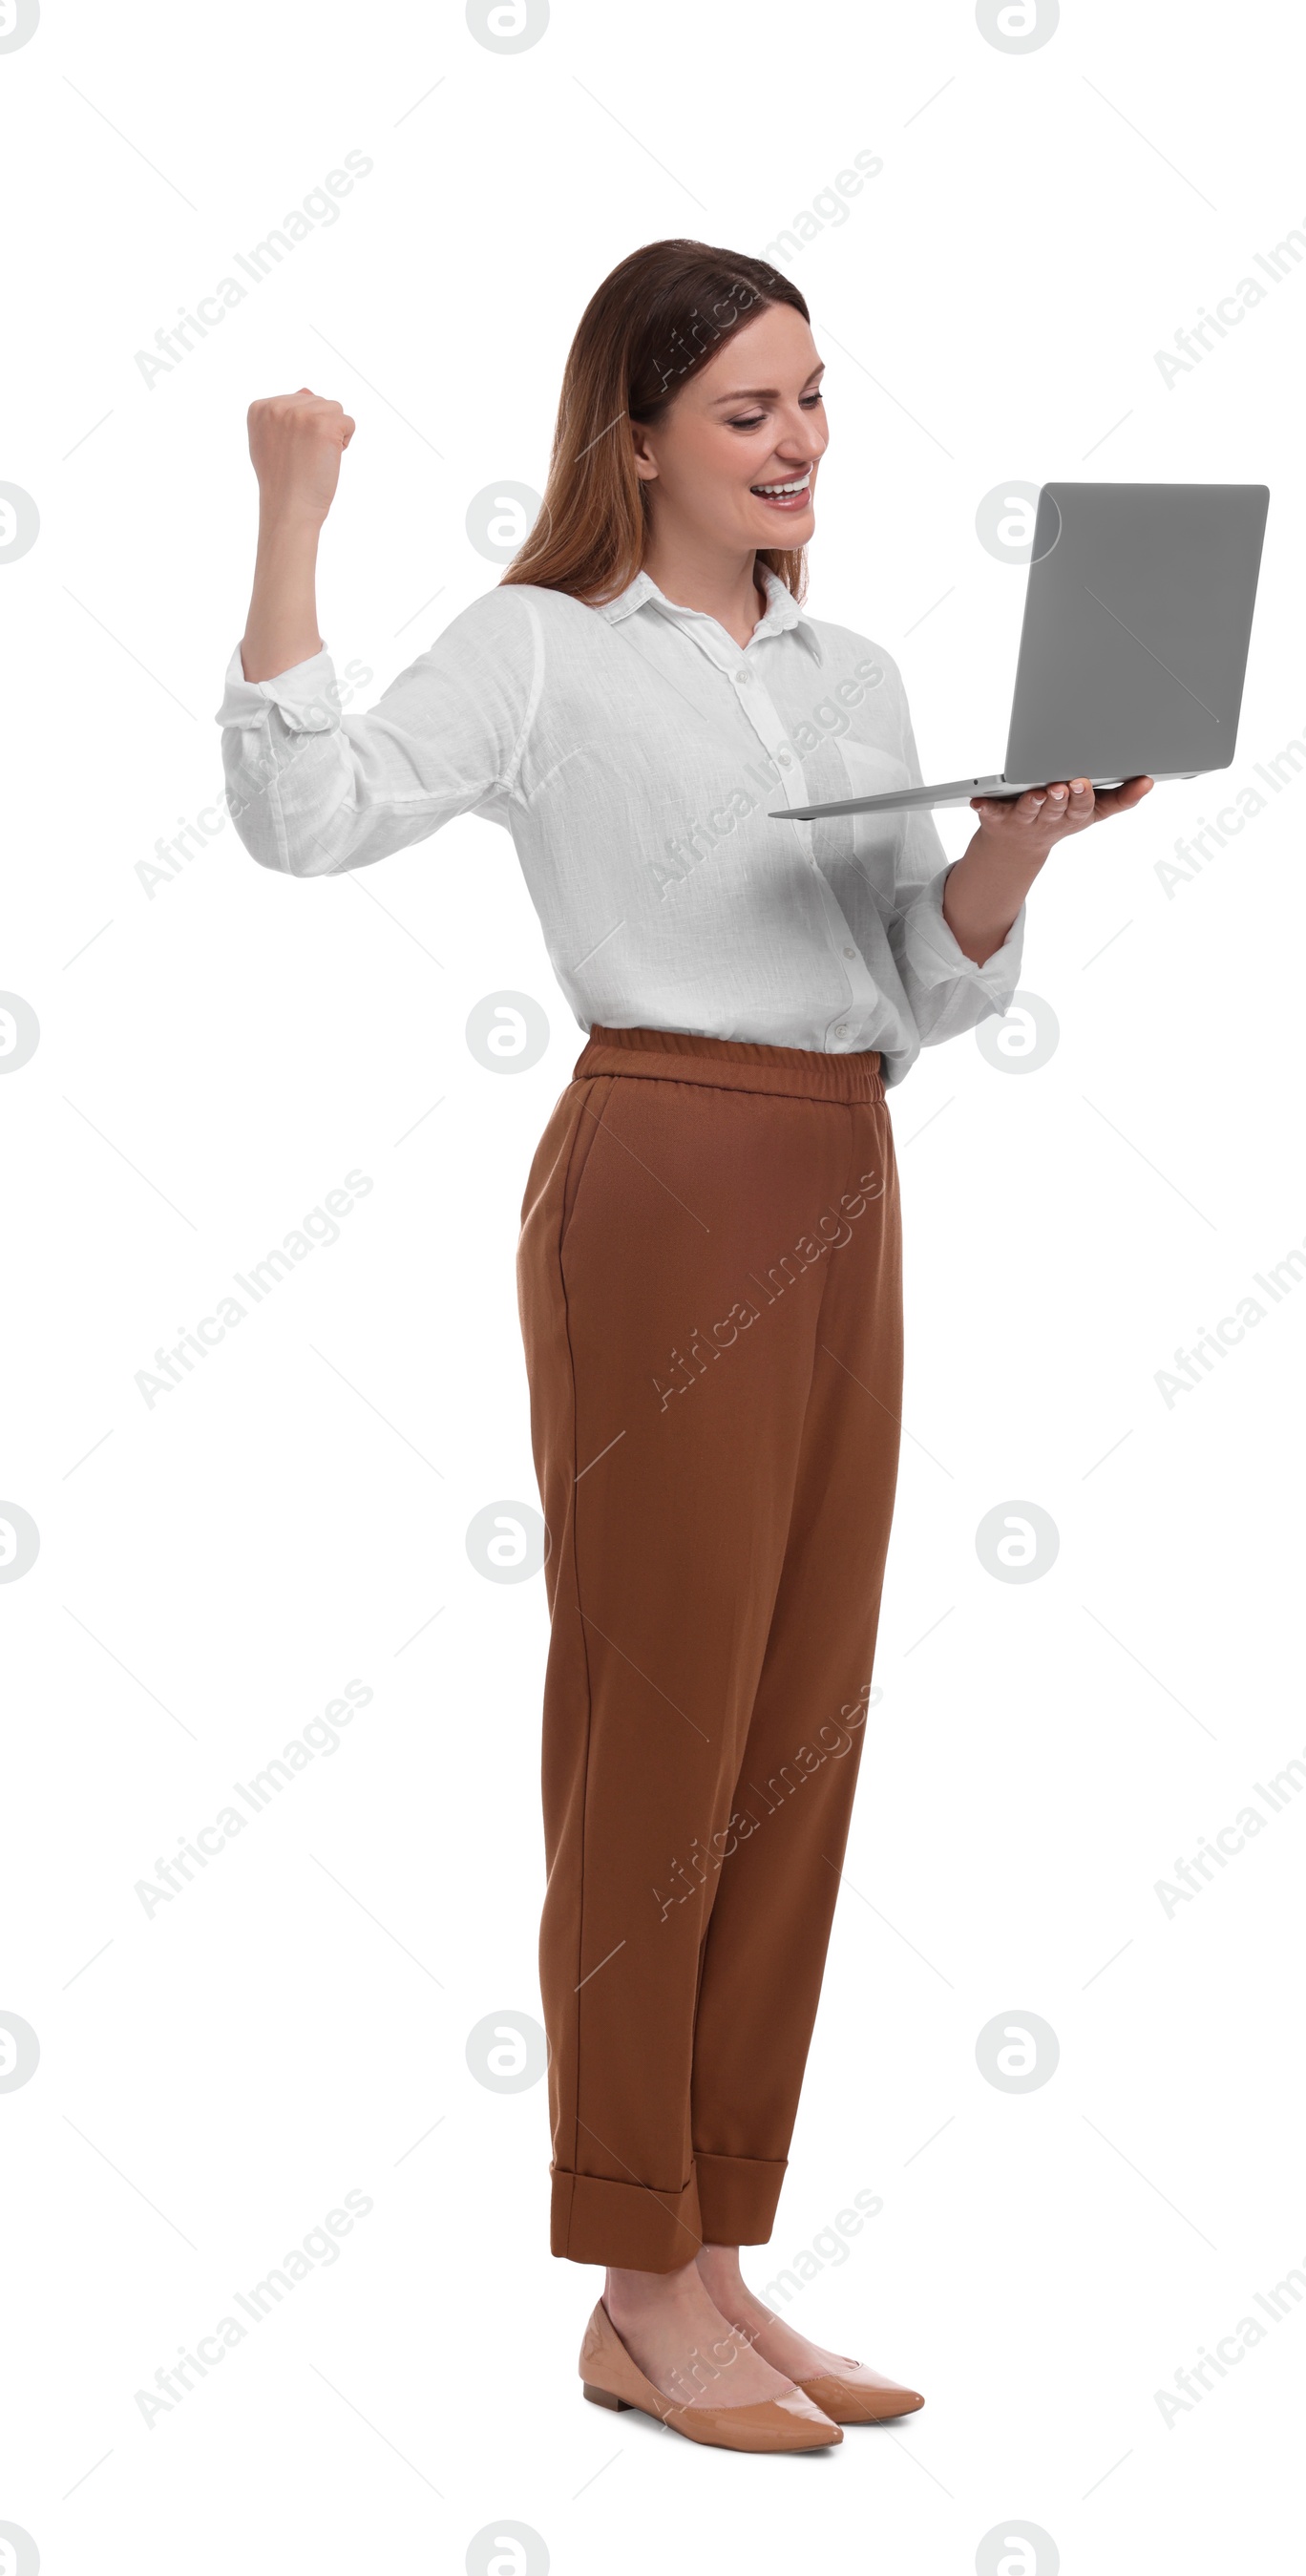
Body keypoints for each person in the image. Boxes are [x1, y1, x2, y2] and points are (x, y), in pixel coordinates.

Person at [216, 238, 1152, 2457]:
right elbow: (299, 814)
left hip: (842, 1173)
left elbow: (917, 994)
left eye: (814, 397)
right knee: (652, 1722)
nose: (800, 440)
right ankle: (632, 2270)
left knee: (792, 1726)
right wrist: (291, 510)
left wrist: (1012, 857)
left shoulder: (855, 674)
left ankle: (719, 2244)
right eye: (746, 409)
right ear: (632, 437)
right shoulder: (541, 651)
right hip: (657, 1171)